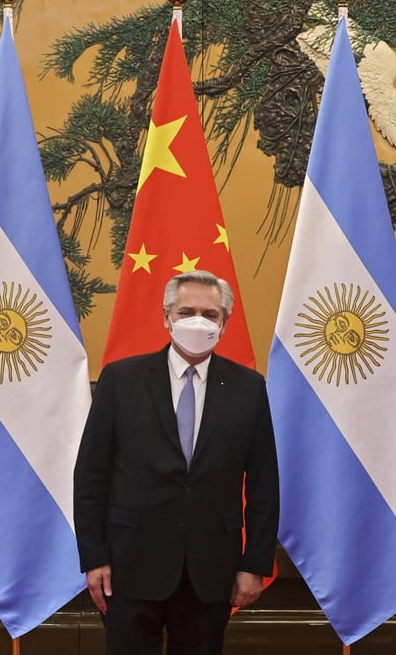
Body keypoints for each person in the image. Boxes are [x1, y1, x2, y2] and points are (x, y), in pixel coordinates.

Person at [74, 270, 279, 655]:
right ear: (167, 317)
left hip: (211, 569)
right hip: (129, 565)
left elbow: (264, 484)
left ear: (224, 322)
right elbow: (90, 475)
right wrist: (94, 557)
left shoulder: (249, 388)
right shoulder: (122, 380)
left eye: (210, 313)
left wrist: (254, 565)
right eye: (186, 312)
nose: (197, 321)